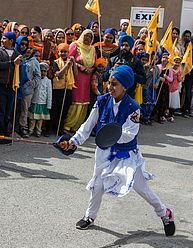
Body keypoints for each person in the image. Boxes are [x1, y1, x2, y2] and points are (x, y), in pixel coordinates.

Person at [58, 65, 175, 237]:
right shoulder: (102, 101)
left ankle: (165, 213)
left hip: (126, 154)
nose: (110, 87)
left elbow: (129, 134)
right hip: (104, 152)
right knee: (97, 184)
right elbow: (87, 125)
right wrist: (74, 142)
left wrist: (109, 136)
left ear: (125, 86)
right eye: (109, 83)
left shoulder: (133, 108)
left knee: (142, 188)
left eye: (115, 84)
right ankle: (90, 216)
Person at [0, 32, 23, 143]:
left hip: (11, 86)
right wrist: (12, 63)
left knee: (8, 112)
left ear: (11, 41)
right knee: (0, 110)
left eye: (4, 38)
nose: (2, 40)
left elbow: (19, 71)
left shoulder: (17, 54)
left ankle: (6, 133)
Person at [63, 29, 96, 133]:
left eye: (90, 37)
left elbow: (95, 63)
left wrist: (91, 69)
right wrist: (79, 66)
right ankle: (67, 125)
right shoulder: (75, 45)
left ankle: (77, 127)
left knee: (84, 100)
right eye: (86, 36)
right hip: (76, 76)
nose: (87, 38)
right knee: (75, 99)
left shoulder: (92, 49)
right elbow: (69, 58)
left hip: (87, 78)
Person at [103, 35, 146, 99]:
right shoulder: (113, 60)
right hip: (113, 94)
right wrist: (112, 69)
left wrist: (129, 72)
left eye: (126, 45)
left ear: (130, 47)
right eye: (122, 45)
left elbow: (143, 80)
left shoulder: (136, 61)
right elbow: (104, 77)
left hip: (128, 95)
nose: (124, 47)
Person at [50, 43, 76, 135]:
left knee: (64, 111)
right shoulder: (56, 62)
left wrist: (74, 63)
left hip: (68, 88)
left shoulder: (70, 62)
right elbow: (58, 75)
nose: (63, 54)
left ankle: (60, 129)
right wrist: (67, 66)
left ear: (68, 52)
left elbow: (75, 74)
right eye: (61, 52)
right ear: (58, 52)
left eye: (65, 52)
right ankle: (49, 129)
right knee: (55, 110)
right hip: (57, 88)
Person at [20, 46, 41, 138]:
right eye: (26, 47)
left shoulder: (34, 62)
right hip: (17, 88)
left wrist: (31, 84)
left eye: (30, 48)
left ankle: (23, 127)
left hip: (28, 90)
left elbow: (37, 76)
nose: (28, 49)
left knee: (24, 109)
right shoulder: (19, 57)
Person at [28, 63, 52, 137]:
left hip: (43, 102)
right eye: (41, 71)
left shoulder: (48, 81)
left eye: (45, 71)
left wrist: (49, 104)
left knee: (40, 119)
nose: (43, 73)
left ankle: (38, 130)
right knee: (32, 118)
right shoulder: (36, 79)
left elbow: (49, 93)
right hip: (34, 101)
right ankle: (30, 130)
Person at [139, 52, 159, 125]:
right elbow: (145, 77)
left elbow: (158, 77)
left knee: (152, 101)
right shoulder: (147, 68)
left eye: (156, 59)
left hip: (153, 87)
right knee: (146, 101)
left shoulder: (156, 68)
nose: (154, 61)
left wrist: (156, 84)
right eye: (153, 59)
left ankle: (148, 115)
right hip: (147, 87)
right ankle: (144, 117)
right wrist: (150, 72)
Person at [153, 52, 173, 123]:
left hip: (165, 87)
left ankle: (161, 115)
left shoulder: (169, 69)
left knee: (163, 101)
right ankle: (154, 115)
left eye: (167, 58)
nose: (165, 59)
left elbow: (171, 79)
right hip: (158, 85)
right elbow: (155, 76)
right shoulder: (158, 66)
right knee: (156, 100)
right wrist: (161, 78)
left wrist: (166, 77)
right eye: (164, 57)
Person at [168, 56, 183, 122]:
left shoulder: (179, 71)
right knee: (168, 102)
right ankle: (167, 114)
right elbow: (169, 79)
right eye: (175, 62)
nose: (176, 64)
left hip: (175, 88)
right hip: (169, 88)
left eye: (178, 63)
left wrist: (177, 76)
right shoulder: (170, 70)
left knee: (173, 104)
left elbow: (180, 80)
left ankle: (171, 115)